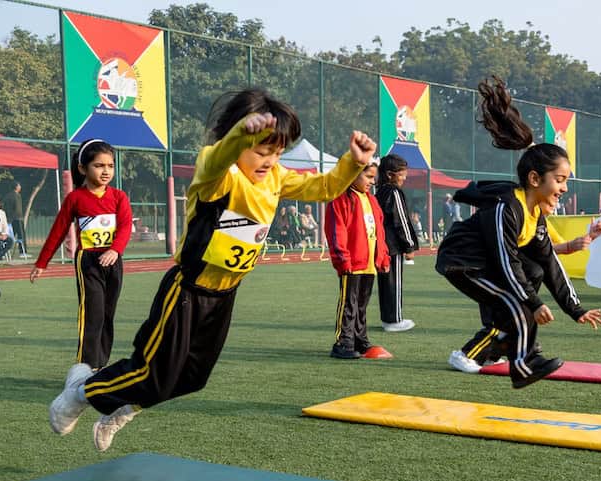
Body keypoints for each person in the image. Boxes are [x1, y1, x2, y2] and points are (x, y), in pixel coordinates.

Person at [48, 88, 376, 452]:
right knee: (150, 371)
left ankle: (122, 409)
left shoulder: (276, 177)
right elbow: (215, 160)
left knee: (192, 378)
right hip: (187, 291)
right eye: (261, 150)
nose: (270, 160)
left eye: (278, 152)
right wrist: (239, 138)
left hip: (223, 295)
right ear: (238, 140)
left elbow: (325, 187)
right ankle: (79, 392)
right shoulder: (219, 174)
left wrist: (353, 162)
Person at [435, 77, 601, 389]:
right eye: (560, 179)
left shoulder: (536, 217)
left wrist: (575, 308)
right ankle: (524, 363)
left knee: (536, 270)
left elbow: (551, 264)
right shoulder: (507, 208)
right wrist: (534, 301)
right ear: (534, 178)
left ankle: (507, 348)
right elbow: (505, 261)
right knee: (518, 303)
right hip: (463, 262)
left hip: (486, 264)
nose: (564, 188)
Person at [448, 218, 601, 373]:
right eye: (557, 193)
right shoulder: (510, 211)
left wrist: (575, 309)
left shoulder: (538, 218)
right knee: (504, 320)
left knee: (533, 275)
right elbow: (512, 252)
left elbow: (548, 254)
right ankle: (464, 355)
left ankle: (491, 354)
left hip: (501, 266)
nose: (561, 194)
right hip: (473, 262)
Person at [30, 139, 133, 370]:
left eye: (110, 165)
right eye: (99, 165)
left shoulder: (119, 197)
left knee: (107, 314)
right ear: (82, 168)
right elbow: (58, 231)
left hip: (114, 262)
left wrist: (115, 250)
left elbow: (126, 227)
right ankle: (85, 367)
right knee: (92, 313)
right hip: (88, 262)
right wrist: (42, 262)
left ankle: (101, 365)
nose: (106, 171)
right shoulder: (75, 199)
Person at [325, 160, 391, 359]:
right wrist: (342, 259)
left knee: (361, 304)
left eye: (374, 177)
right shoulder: (341, 199)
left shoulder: (372, 200)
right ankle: (343, 342)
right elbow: (337, 232)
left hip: (369, 263)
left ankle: (360, 340)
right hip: (352, 263)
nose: (373, 181)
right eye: (368, 177)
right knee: (348, 303)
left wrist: (383, 257)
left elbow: (380, 231)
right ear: (353, 173)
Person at [376, 154, 418, 332]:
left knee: (385, 283)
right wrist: (409, 246)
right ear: (389, 174)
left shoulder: (380, 192)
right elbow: (400, 220)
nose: (405, 177)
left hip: (382, 245)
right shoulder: (394, 192)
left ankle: (388, 319)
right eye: (401, 173)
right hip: (393, 246)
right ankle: (395, 320)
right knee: (394, 282)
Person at [5, 181, 27, 256]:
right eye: (19, 186)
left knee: (10, 236)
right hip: (17, 219)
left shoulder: (8, 195)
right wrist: (19, 217)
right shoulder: (16, 196)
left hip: (11, 219)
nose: (20, 187)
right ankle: (23, 252)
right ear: (16, 187)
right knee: (21, 235)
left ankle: (4, 251)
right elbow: (17, 208)